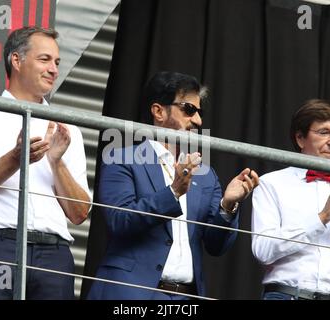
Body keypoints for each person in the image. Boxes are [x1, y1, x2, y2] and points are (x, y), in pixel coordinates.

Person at [0, 26, 92, 299]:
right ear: (16, 60)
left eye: (57, 62)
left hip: (54, 254)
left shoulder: (67, 128)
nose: (54, 70)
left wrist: (56, 162)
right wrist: (15, 158)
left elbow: (79, 213)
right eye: (44, 59)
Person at [87, 71, 259, 300]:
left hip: (186, 297)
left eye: (199, 112)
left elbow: (216, 246)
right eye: (189, 109)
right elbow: (120, 221)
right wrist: (173, 192)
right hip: (131, 293)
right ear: (158, 111)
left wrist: (227, 206)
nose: (198, 120)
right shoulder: (121, 158)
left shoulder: (206, 175)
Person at [251, 99, 330, 300]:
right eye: (324, 132)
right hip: (287, 295)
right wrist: (321, 219)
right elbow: (263, 251)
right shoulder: (271, 184)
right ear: (300, 138)